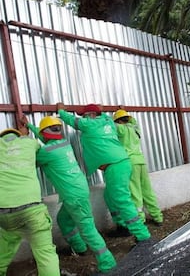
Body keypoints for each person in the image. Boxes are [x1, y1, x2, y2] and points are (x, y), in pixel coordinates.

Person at [22, 115, 117, 273]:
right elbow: (45, 138)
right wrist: (30, 126)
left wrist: (25, 137)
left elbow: (31, 157)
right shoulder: (63, 143)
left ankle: (108, 263)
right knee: (64, 220)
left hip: (73, 195)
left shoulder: (46, 152)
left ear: (45, 133)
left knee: (87, 229)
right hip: (78, 190)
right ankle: (80, 248)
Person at [57, 102, 151, 242]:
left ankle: (143, 236)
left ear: (93, 115)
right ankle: (122, 226)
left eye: (86, 116)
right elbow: (100, 113)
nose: (84, 118)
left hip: (115, 167)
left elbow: (72, 120)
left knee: (122, 200)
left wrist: (61, 110)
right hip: (122, 163)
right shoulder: (107, 120)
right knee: (109, 196)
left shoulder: (89, 124)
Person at [0, 126, 60, 276]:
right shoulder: (29, 142)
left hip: (3, 211)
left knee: (6, 243)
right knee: (45, 254)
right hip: (31, 209)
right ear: (18, 136)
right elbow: (44, 148)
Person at [113, 109, 163, 225]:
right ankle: (158, 217)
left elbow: (112, 125)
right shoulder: (135, 129)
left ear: (118, 121)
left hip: (130, 162)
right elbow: (133, 121)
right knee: (147, 190)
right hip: (141, 161)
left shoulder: (120, 128)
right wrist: (123, 111)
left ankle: (141, 220)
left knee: (135, 192)